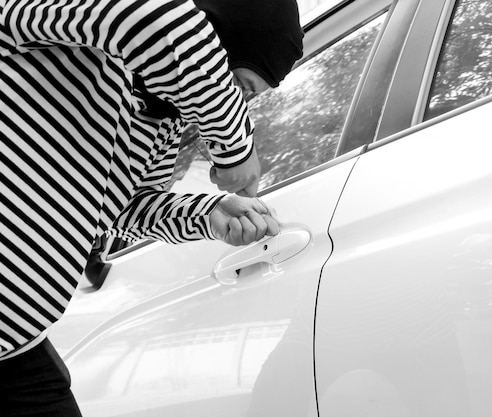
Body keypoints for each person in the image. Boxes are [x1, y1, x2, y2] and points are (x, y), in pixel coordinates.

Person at [0, 0, 303, 415]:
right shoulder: (69, 23)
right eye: (239, 86)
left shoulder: (164, 121)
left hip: (18, 343)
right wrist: (236, 149)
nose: (235, 105)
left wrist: (208, 213)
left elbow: (124, 209)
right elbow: (156, 21)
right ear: (212, 36)